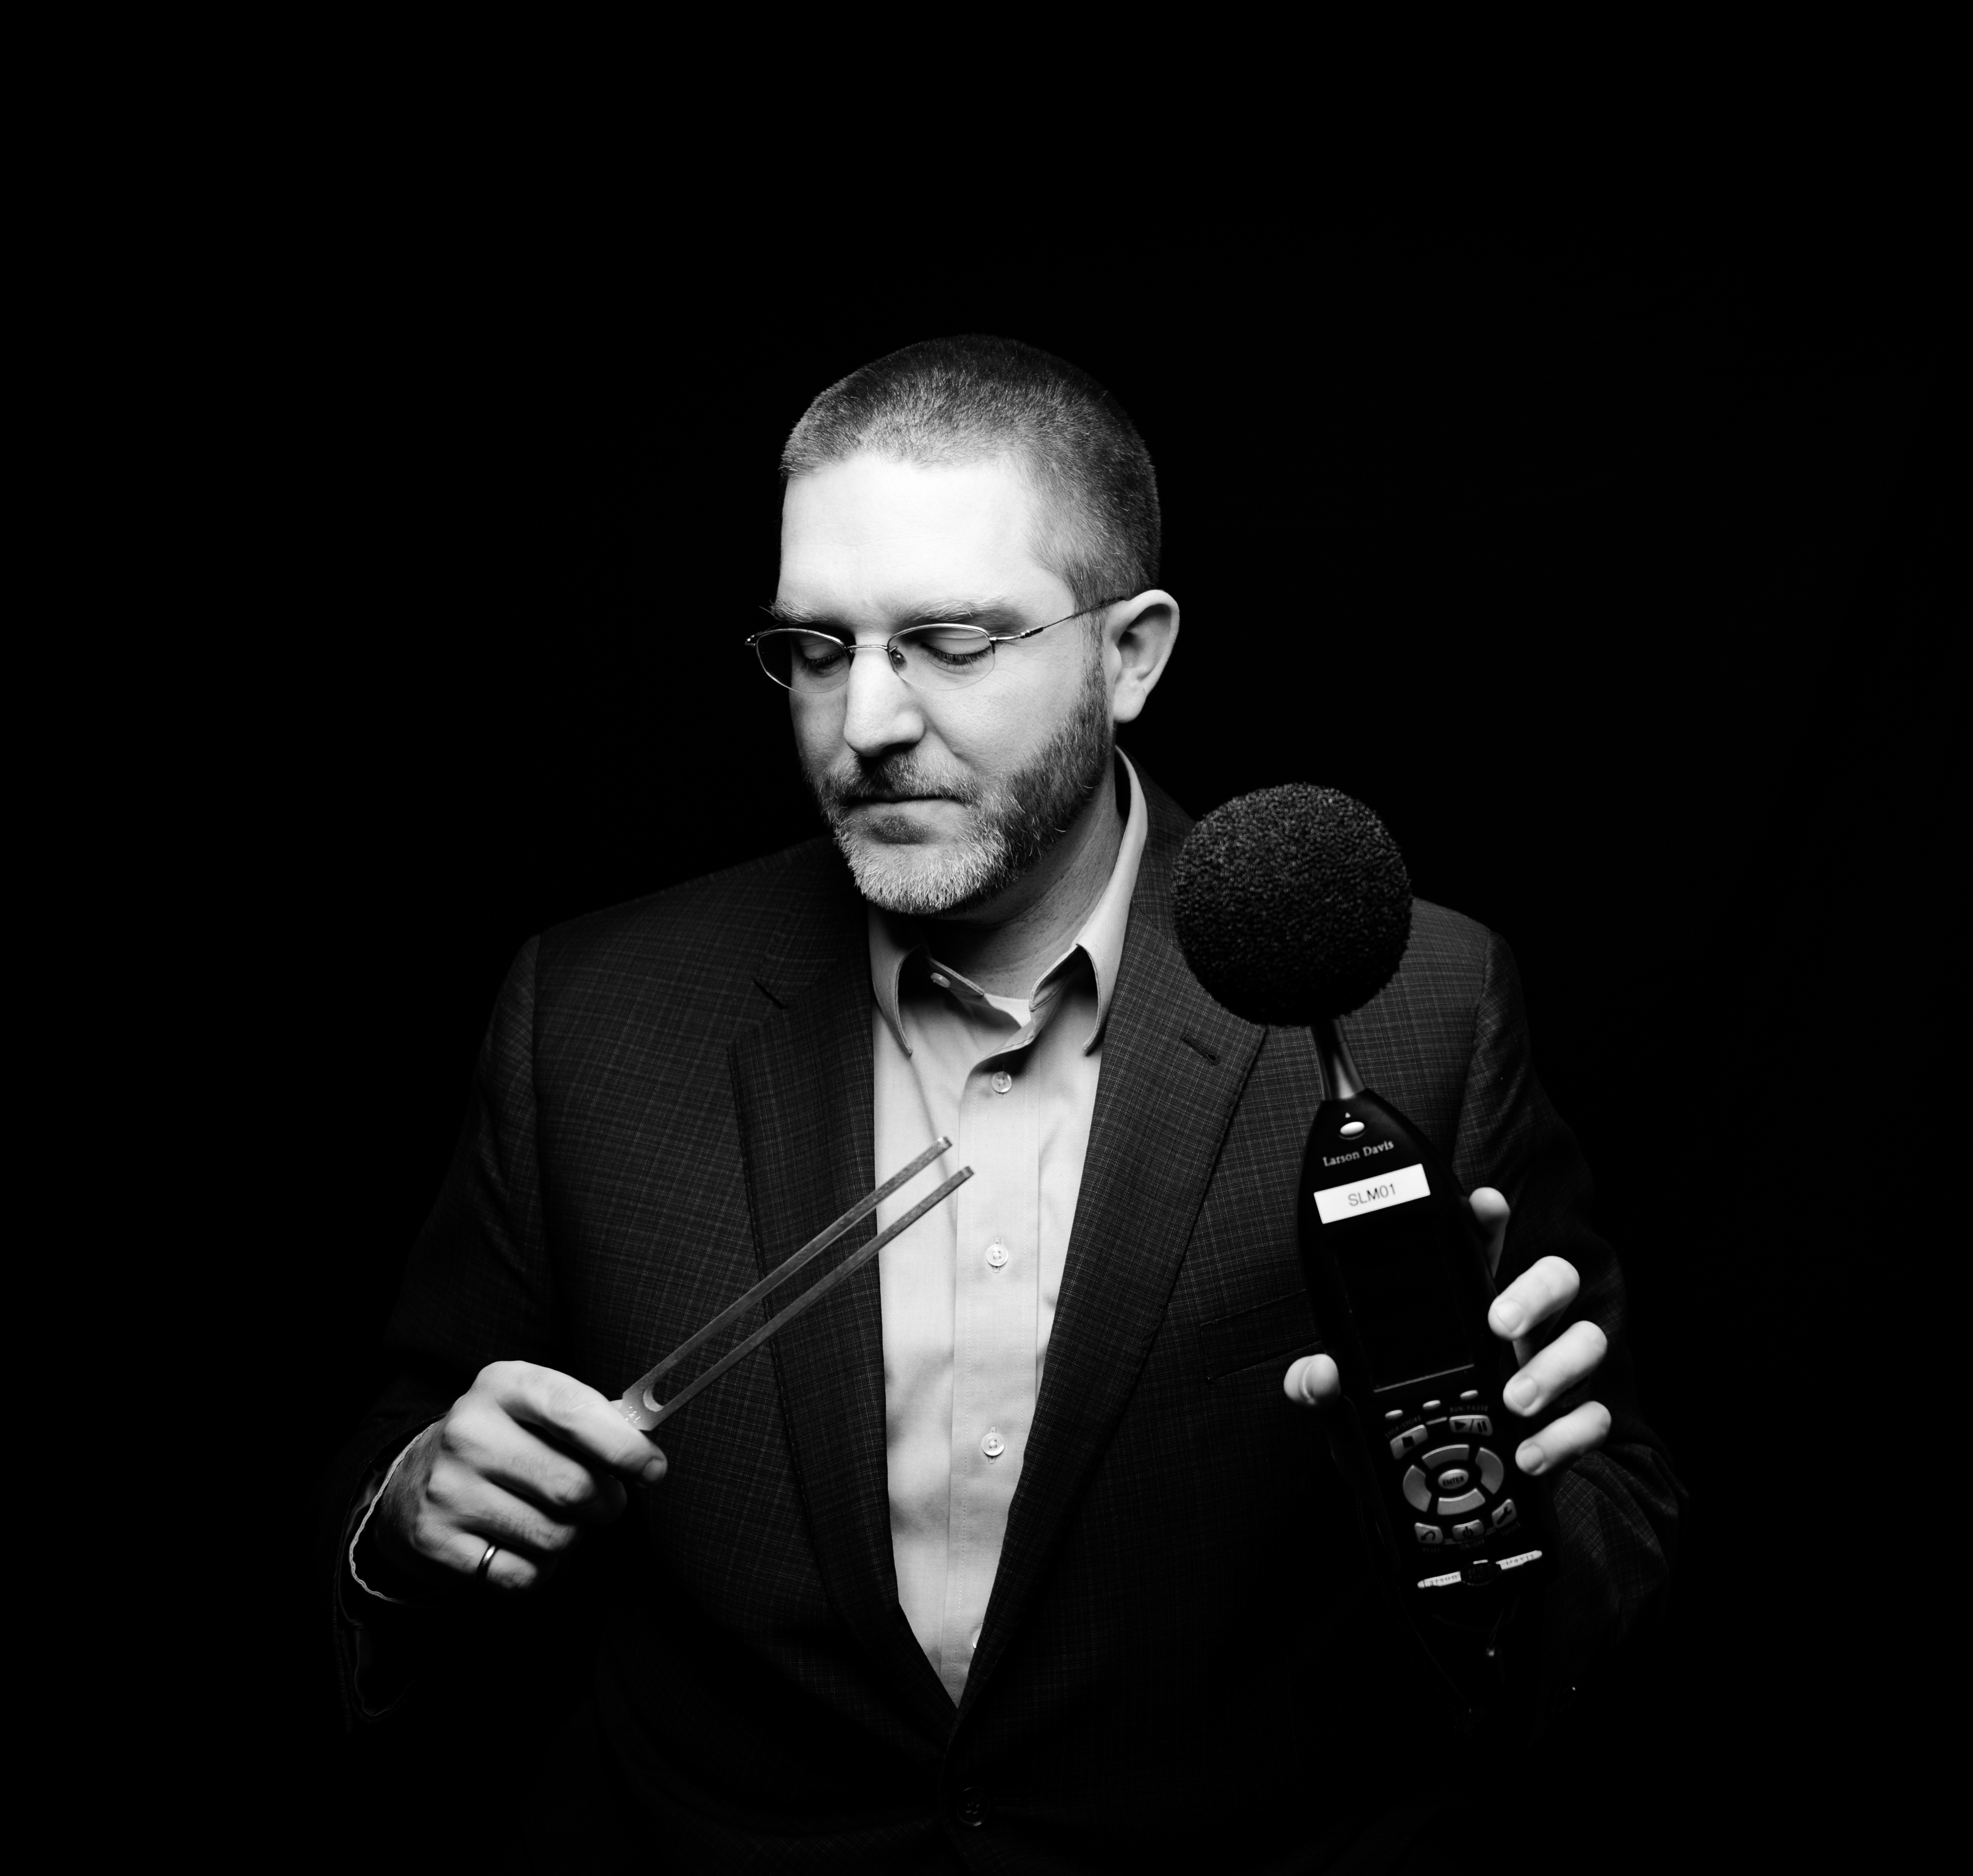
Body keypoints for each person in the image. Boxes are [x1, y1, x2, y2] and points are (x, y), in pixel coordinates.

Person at [324, 335, 1681, 1870]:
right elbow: (392, 1480)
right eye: (817, 650)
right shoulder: (589, 1017)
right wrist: (409, 1521)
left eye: (950, 640)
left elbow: (1611, 1560)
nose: (867, 724)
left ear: (1134, 653)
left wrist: (1499, 1507)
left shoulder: (1413, 1005)